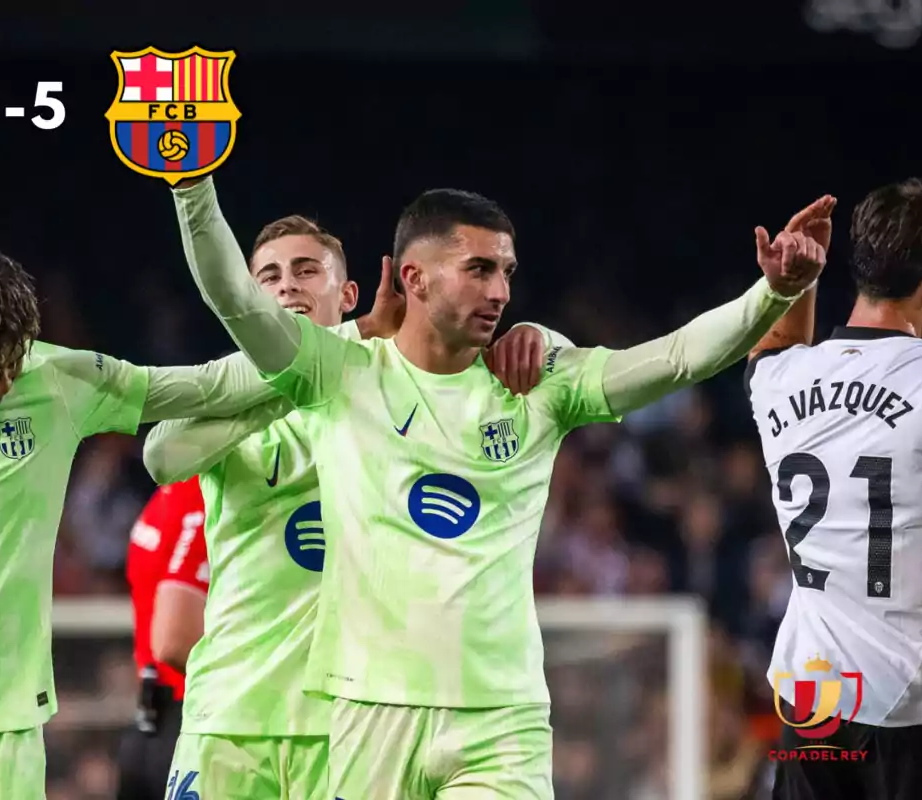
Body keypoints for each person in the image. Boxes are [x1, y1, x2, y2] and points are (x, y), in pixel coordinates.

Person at [170, 175, 827, 798]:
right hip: (369, 711)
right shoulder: (341, 373)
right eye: (479, 269)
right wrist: (191, 184)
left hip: (500, 717)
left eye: (507, 272)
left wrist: (770, 293)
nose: (501, 291)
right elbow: (234, 298)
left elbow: (677, 355)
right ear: (414, 277)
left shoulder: (540, 380)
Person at [0, 246, 392, 798]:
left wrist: (357, 333)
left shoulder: (57, 381)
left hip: (7, 735)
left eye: (13, 361)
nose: (3, 383)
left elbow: (212, 386)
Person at [144, 213, 551, 799]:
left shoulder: (391, 395)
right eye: (269, 277)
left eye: (307, 271)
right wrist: (313, 362)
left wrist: (532, 333)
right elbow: (162, 454)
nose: (287, 286)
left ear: (350, 292)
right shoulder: (234, 405)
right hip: (230, 717)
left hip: (347, 728)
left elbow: (469, 363)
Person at [744, 179, 922, 799]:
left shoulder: (777, 380)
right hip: (919, 702)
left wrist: (795, 279)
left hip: (813, 696)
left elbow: (773, 342)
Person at [117, 478, 208, 800]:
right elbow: (173, 641)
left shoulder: (167, 490)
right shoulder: (203, 496)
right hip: (188, 720)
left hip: (150, 721)